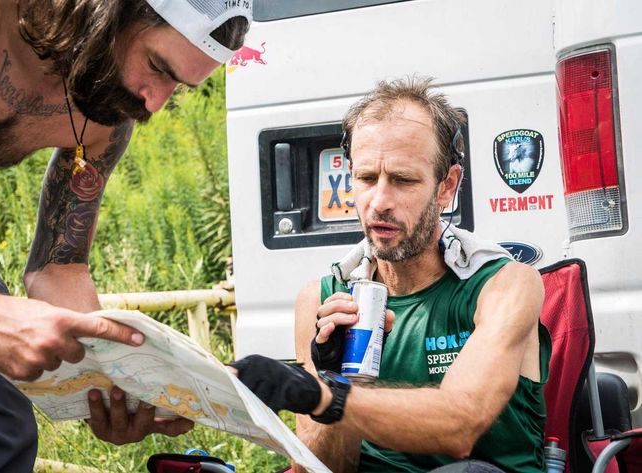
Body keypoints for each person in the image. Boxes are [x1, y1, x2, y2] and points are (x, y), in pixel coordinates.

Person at [0, 0, 250, 471]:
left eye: (176, 86)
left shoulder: (107, 109)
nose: (154, 102)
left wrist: (110, 382)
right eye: (157, 67)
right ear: (107, 12)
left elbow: (59, 266)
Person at [232, 77, 551, 473]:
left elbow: (460, 425)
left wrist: (323, 395)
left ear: (446, 186)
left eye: (402, 180)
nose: (380, 202)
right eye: (367, 179)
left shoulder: (504, 285)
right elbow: (326, 468)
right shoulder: (322, 297)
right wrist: (340, 374)